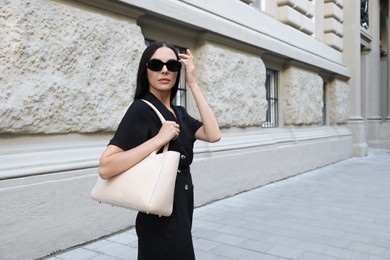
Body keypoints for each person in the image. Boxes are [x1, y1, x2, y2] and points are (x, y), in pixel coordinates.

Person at [98, 40, 221, 260]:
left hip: (181, 205)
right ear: (145, 71)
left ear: (177, 72)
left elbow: (213, 134)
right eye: (155, 64)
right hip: (158, 213)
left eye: (172, 65)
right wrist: (158, 140)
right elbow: (106, 167)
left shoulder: (179, 112)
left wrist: (193, 84)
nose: (164, 70)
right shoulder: (141, 109)